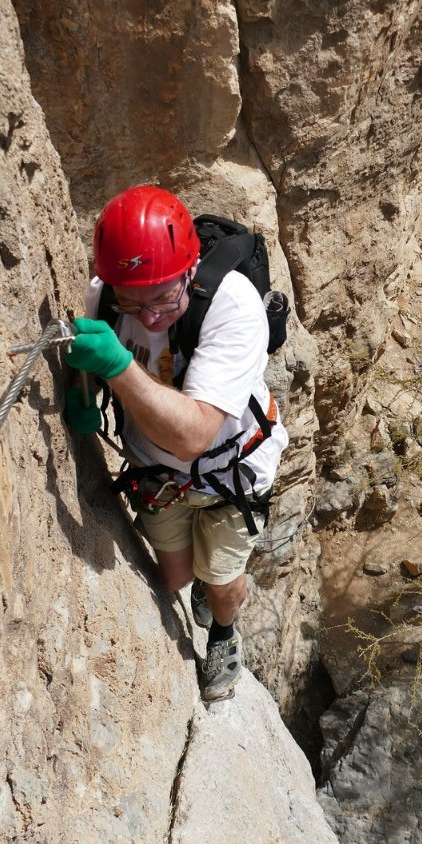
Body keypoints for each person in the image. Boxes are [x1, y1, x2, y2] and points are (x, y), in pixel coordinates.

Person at [63, 185, 288, 701]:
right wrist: (86, 389)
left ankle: (224, 632)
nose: (148, 317)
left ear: (189, 271)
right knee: (176, 580)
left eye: (164, 298)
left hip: (232, 469)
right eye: (132, 301)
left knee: (221, 579)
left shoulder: (233, 307)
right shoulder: (107, 294)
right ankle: (205, 591)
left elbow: (192, 436)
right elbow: (102, 352)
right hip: (156, 471)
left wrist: (117, 366)